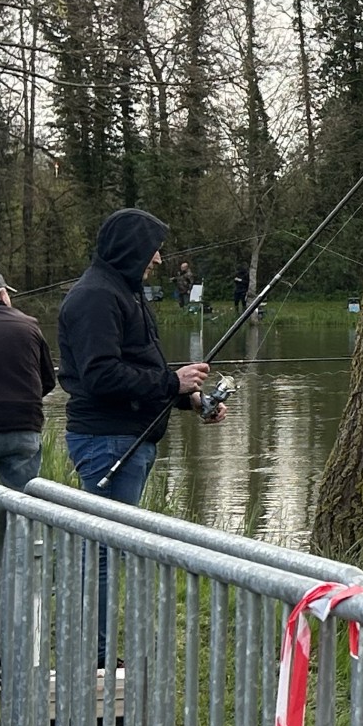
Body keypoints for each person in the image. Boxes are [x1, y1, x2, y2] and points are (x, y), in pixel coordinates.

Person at [59, 209, 226, 508]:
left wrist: (189, 398)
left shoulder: (126, 292)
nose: (158, 259)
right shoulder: (95, 296)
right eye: (154, 249)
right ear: (131, 248)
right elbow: (101, 375)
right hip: (107, 440)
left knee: (114, 546)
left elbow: (141, 367)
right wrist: (173, 382)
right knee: (104, 548)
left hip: (127, 440)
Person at [0, 269, 55, 490]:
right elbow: (48, 380)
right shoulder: (30, 324)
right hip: (24, 424)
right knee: (24, 502)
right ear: (3, 295)